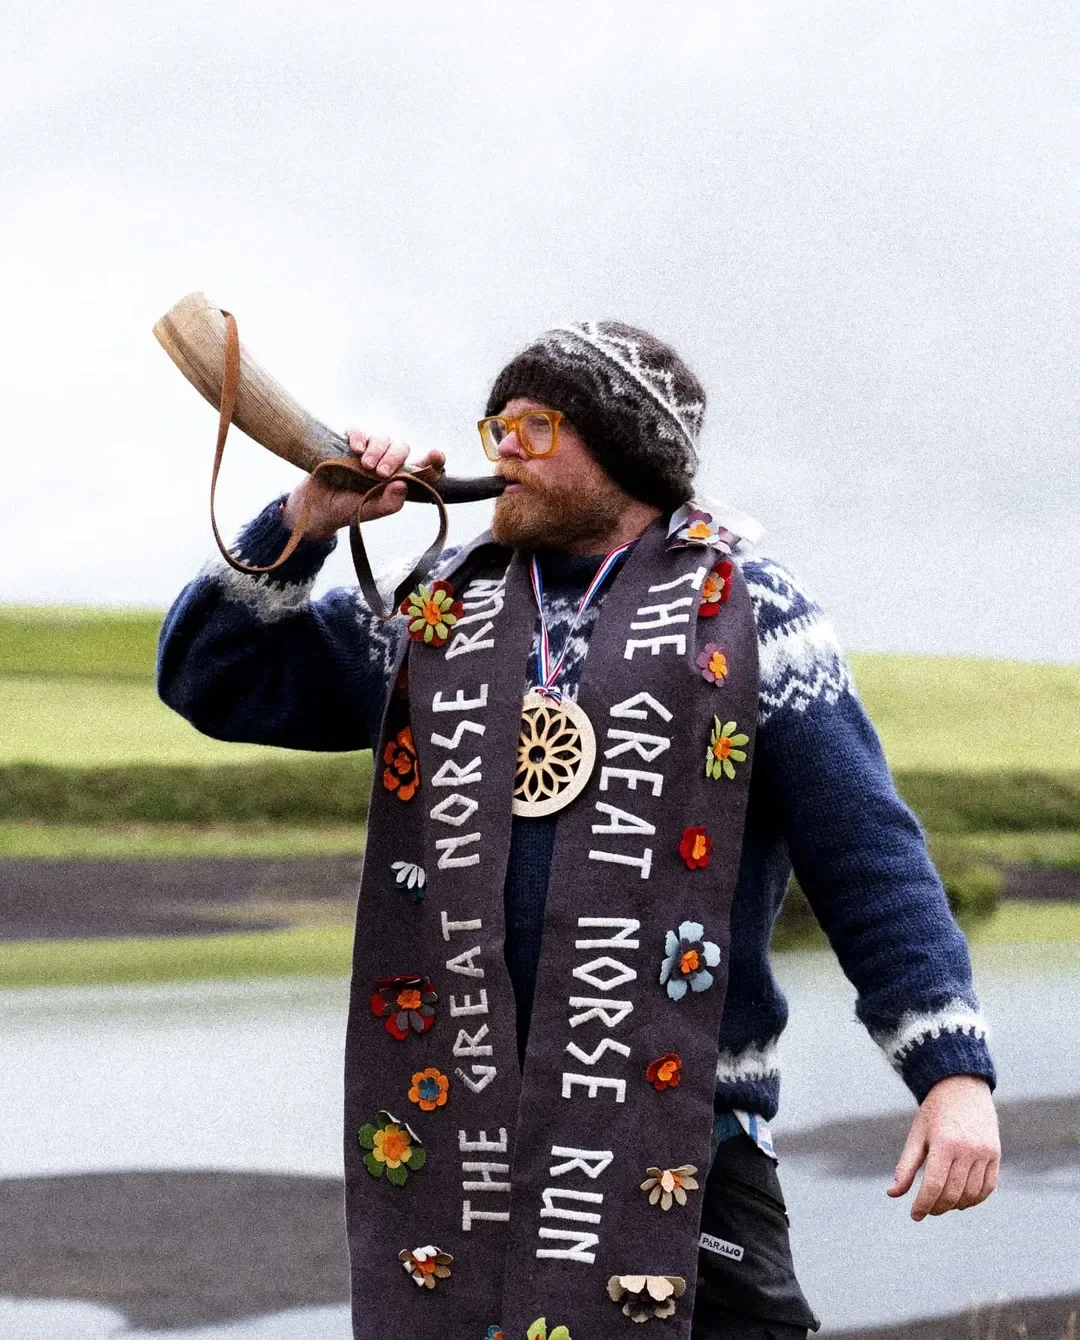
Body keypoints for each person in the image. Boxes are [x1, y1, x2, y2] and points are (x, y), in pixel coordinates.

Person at [158, 321, 1001, 1340]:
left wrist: (950, 1074)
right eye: (496, 423)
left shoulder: (753, 614)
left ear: (627, 452)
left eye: (536, 424)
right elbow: (213, 672)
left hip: (686, 1131)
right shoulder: (437, 611)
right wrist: (309, 516)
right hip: (462, 1129)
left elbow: (869, 857)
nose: (500, 446)